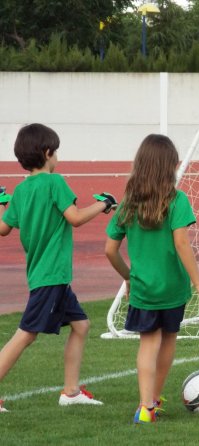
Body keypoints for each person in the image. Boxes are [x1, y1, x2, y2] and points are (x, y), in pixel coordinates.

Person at [0, 123, 117, 412]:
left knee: (81, 325)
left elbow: (3, 228)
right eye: (56, 151)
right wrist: (104, 205)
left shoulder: (21, 191)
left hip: (49, 276)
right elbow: (75, 217)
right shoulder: (55, 183)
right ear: (47, 152)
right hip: (50, 275)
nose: (58, 157)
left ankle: (71, 392)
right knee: (26, 334)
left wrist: (3, 203)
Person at [104, 134, 199, 424]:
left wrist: (128, 277)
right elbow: (182, 244)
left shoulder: (128, 204)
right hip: (173, 289)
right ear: (171, 167)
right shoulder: (177, 200)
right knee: (168, 341)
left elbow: (110, 250)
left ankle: (146, 407)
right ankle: (154, 397)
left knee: (148, 344)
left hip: (144, 289)